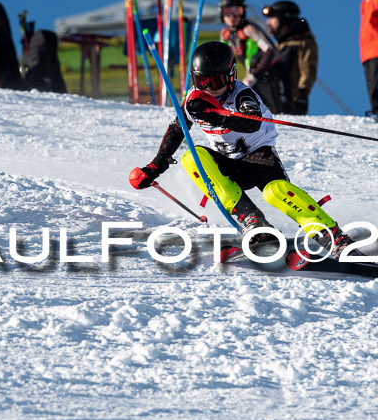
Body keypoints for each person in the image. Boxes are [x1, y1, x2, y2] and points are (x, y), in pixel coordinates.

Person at [129, 41, 363, 260]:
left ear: (231, 77)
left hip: (259, 157)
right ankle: (254, 223)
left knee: (276, 191)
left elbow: (251, 122)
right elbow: (176, 132)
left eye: (217, 81)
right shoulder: (193, 100)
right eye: (203, 82)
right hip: (228, 163)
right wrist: (154, 167)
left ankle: (335, 240)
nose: (210, 89)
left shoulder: (242, 94)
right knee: (192, 157)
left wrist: (216, 116)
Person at [218, 0, 290, 114]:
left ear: (243, 12)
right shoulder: (225, 34)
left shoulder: (249, 29)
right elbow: (223, 59)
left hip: (269, 72)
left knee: (276, 109)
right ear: (222, 14)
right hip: (253, 75)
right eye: (227, 12)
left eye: (236, 11)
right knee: (249, 106)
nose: (232, 16)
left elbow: (269, 50)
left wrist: (257, 71)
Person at [262, 0, 318, 115]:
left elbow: (308, 69)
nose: (268, 23)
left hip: (289, 100)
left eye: (272, 18)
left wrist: (302, 93)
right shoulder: (277, 46)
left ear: (283, 19)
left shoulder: (303, 42)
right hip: (272, 100)